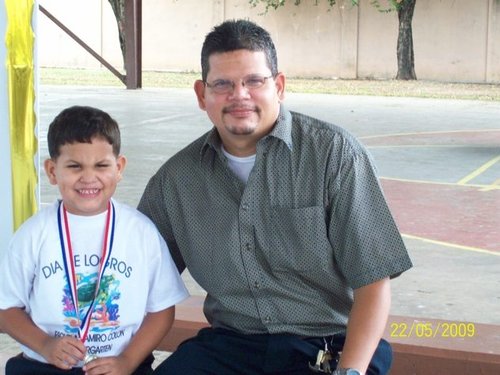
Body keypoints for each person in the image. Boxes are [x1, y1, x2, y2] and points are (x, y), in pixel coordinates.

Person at [138, 20, 412, 375]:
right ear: (201, 94)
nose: (239, 95)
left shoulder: (334, 155)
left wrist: (351, 372)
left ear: (279, 86)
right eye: (222, 84)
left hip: (326, 345)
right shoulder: (176, 180)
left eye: (254, 80)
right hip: (231, 344)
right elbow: (136, 277)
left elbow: (373, 282)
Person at [0, 106, 189, 375]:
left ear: (119, 167)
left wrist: (128, 362)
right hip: (45, 365)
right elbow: (6, 309)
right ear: (52, 171)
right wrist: (44, 345)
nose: (89, 178)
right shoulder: (33, 234)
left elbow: (161, 310)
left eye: (101, 165)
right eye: (74, 166)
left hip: (121, 366)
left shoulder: (141, 232)